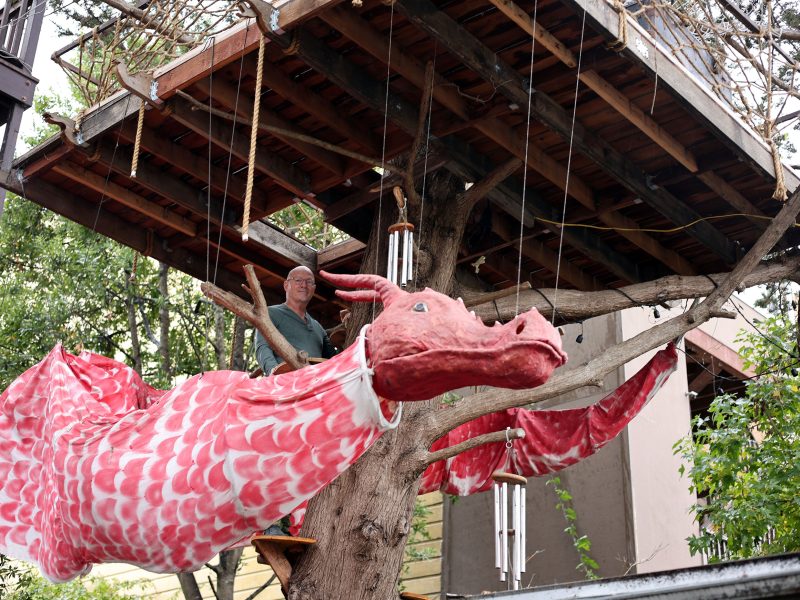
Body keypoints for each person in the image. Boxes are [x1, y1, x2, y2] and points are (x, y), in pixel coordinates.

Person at [255, 266, 337, 375]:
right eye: (298, 280)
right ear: (286, 285)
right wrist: (273, 373)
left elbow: (335, 361)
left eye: (309, 282)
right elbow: (262, 348)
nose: (304, 285)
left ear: (314, 288)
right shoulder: (270, 313)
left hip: (316, 386)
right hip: (286, 385)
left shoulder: (318, 327)